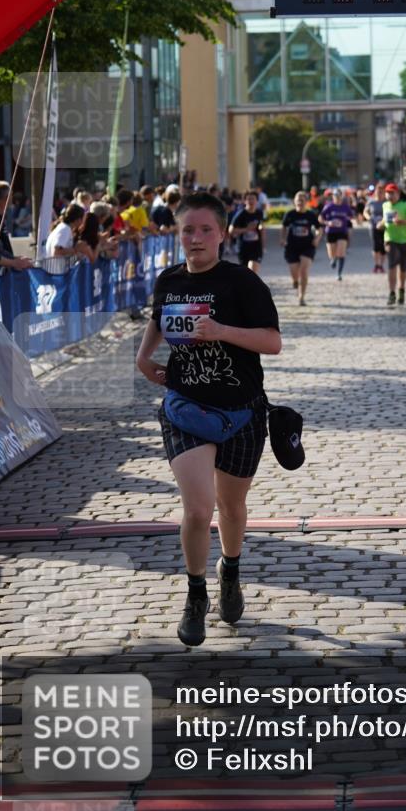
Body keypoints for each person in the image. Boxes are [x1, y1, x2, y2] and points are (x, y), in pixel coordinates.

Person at [136, 190, 281, 646]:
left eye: (204, 230)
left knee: (231, 507)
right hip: (184, 406)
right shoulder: (169, 280)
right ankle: (195, 594)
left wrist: (221, 331)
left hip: (241, 410)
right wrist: (144, 360)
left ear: (222, 234)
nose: (195, 238)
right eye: (187, 230)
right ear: (177, 234)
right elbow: (158, 321)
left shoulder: (243, 283)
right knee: (198, 509)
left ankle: (230, 571)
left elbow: (272, 342)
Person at [378, 183, 406, 306]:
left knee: (403, 266)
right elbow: (385, 220)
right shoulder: (385, 205)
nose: (389, 195)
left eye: (392, 193)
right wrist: (380, 224)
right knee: (391, 265)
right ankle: (391, 293)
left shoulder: (405, 205)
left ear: (398, 194)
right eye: (387, 193)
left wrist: (403, 221)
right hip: (390, 238)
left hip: (405, 239)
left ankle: (401, 289)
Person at [281, 190, 321, 305]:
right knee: (295, 273)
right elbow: (284, 227)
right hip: (292, 247)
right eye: (298, 200)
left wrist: (317, 239)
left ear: (306, 202)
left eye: (302, 200)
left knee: (304, 271)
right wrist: (282, 239)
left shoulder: (311, 215)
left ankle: (301, 297)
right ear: (294, 202)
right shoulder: (290, 214)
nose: (300, 202)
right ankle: (295, 280)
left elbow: (320, 229)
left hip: (307, 246)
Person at [319, 188, 355, 280]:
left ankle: (339, 274)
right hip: (330, 232)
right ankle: (333, 259)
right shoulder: (329, 206)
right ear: (333, 197)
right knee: (332, 253)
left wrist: (347, 219)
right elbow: (320, 218)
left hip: (342, 231)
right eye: (335, 196)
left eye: (339, 196)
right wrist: (328, 223)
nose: (337, 198)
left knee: (341, 253)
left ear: (342, 197)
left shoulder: (345, 207)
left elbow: (351, 216)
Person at [229, 190, 265, 273]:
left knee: (253, 270)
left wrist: (263, 246)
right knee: (245, 273)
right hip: (243, 247)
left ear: (257, 201)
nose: (251, 201)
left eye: (253, 199)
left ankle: (252, 285)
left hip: (256, 246)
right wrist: (246, 229)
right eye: (249, 199)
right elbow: (231, 230)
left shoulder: (259, 213)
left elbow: (262, 228)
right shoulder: (241, 214)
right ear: (245, 201)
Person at [363, 182, 386, 272]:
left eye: (381, 191)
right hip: (373, 226)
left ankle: (382, 265)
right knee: (376, 246)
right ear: (376, 191)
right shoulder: (371, 201)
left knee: (383, 247)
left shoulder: (387, 202)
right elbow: (365, 212)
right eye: (378, 191)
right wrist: (369, 218)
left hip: (384, 226)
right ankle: (377, 264)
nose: (380, 193)